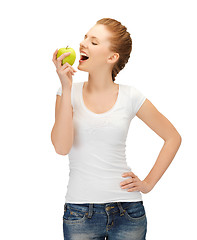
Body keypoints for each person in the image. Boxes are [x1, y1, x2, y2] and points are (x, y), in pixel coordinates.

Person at [51, 18, 182, 240]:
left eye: (93, 42)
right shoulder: (68, 92)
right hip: (80, 213)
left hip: (128, 211)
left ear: (112, 57)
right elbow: (62, 147)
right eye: (85, 37)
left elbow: (172, 137)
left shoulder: (131, 96)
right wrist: (66, 87)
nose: (83, 43)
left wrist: (148, 183)